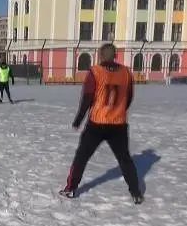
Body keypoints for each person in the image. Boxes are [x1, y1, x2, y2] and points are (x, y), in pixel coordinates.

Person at [59, 43, 144, 205]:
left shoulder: (95, 72)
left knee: (82, 156)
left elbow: (87, 98)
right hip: (118, 124)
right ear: (115, 56)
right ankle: (136, 192)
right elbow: (129, 97)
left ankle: (71, 188)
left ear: (101, 56)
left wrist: (78, 119)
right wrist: (119, 111)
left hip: (97, 123)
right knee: (125, 159)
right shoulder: (126, 73)